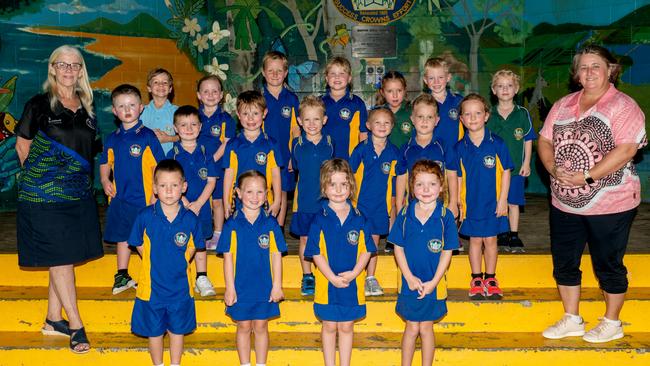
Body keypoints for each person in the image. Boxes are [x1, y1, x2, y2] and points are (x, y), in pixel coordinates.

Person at [538, 45, 647, 343]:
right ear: (576, 73)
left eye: (596, 66)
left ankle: (612, 322)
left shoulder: (624, 106)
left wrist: (587, 175)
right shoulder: (562, 105)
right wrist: (551, 168)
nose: (589, 72)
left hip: (611, 203)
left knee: (608, 264)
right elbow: (545, 140)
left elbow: (626, 149)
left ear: (610, 69)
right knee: (564, 262)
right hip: (563, 202)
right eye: (583, 67)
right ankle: (572, 318)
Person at [15, 44, 103, 354]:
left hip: (79, 197)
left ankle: (53, 320)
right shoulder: (38, 105)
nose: (68, 70)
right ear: (52, 68)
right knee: (63, 257)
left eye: (74, 65)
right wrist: (44, 183)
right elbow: (22, 147)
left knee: (62, 256)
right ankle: (76, 326)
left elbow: (94, 150)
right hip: (44, 198)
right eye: (62, 65)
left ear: (81, 71)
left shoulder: (88, 109)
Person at [129, 159, 203, 366]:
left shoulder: (190, 219)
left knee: (177, 331)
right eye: (163, 186)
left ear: (184, 187)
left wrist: (179, 262)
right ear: (154, 188)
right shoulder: (145, 216)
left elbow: (192, 247)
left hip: (180, 289)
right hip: (151, 290)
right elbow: (137, 244)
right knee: (154, 332)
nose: (169, 191)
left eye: (174, 185)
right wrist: (153, 262)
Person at [304, 158, 376, 366]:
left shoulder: (359, 217)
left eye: (343, 184)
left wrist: (354, 273)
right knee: (329, 326)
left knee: (346, 327)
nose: (338, 189)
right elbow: (315, 252)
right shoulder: (319, 218)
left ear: (351, 186)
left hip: (351, 283)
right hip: (328, 284)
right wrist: (331, 278)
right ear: (324, 188)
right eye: (332, 184)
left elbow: (367, 250)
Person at [388, 160, 458, 366]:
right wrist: (409, 277)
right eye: (420, 184)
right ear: (412, 187)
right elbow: (398, 247)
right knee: (411, 327)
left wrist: (434, 282)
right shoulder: (405, 213)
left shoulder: (446, 217)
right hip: (410, 283)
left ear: (442, 186)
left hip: (433, 285)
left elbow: (447, 251)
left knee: (426, 328)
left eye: (432, 184)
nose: (426, 189)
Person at [100, 84, 165, 295]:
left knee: (143, 238)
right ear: (114, 111)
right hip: (120, 199)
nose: (127, 110)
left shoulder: (147, 136)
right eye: (122, 106)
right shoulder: (113, 138)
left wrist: (158, 193)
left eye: (132, 105)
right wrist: (104, 179)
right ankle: (122, 275)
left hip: (144, 199)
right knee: (122, 236)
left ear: (141, 108)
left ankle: (157, 274)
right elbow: (105, 161)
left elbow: (158, 165)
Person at [446, 93, 513, 300]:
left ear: (486, 116)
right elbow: (455, 177)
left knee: (491, 240)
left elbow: (507, 172)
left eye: (477, 113)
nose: (473, 117)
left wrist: (503, 201)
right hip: (471, 204)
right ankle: (476, 278)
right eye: (468, 114)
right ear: (462, 119)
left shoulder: (498, 143)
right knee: (475, 241)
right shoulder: (458, 148)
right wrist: (456, 202)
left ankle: (491, 278)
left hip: (493, 204)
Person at [217, 170, 287, 366]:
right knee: (243, 327)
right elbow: (228, 258)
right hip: (241, 287)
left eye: (259, 192)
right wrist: (230, 288)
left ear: (267, 194)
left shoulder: (271, 223)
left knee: (262, 326)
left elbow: (276, 255)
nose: (254, 197)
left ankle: (261, 363)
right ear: (238, 193)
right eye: (249, 192)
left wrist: (277, 285)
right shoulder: (231, 224)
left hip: (264, 286)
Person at [349, 107, 400, 296]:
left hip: (381, 208)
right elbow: (349, 175)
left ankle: (370, 278)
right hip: (359, 206)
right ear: (368, 126)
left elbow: (395, 184)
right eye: (377, 122)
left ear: (392, 126)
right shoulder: (361, 149)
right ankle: (354, 277)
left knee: (373, 244)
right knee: (356, 243)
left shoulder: (394, 153)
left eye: (386, 123)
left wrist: (393, 208)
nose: (382, 126)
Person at [168, 105, 217, 297]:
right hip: (178, 208)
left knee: (201, 241)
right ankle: (179, 277)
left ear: (200, 127)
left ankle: (201, 277)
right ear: (176, 128)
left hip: (202, 208)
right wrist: (186, 203)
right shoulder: (171, 155)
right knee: (180, 241)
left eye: (193, 124)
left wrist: (198, 204)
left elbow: (212, 181)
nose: (189, 129)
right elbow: (169, 182)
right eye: (183, 125)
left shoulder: (206, 154)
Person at [289, 95, 334, 296]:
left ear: (324, 120)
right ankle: (307, 276)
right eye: (306, 119)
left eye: (316, 119)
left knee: (326, 239)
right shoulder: (296, 144)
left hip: (327, 202)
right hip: (305, 202)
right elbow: (297, 167)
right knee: (305, 240)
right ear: (299, 121)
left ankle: (328, 273)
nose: (312, 124)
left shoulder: (330, 143)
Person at [487, 70, 536, 253]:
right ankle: (501, 232)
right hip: (493, 170)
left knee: (513, 202)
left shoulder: (522, 114)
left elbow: (528, 139)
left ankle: (514, 234)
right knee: (497, 201)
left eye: (509, 86)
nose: (504, 89)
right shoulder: (489, 114)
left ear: (516, 89)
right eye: (500, 86)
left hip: (515, 169)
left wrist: (526, 163)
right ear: (494, 90)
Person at [222, 91, 282, 219]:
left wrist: (277, 201)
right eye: (245, 114)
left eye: (255, 113)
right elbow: (228, 175)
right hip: (238, 201)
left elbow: (276, 175)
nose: (250, 118)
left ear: (264, 113)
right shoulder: (232, 145)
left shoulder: (271, 144)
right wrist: (226, 202)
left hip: (264, 200)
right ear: (238, 115)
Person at [395, 94, 458, 218]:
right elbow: (401, 178)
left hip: (441, 208)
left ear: (437, 121)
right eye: (420, 117)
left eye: (429, 117)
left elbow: (451, 175)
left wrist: (453, 203)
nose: (424, 121)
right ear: (412, 119)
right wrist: (398, 205)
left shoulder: (444, 147)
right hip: (413, 208)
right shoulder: (406, 149)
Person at [261, 51, 301, 230]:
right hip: (263, 154)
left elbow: (296, 129)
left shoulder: (292, 99)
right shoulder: (259, 99)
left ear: (286, 73)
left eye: (279, 71)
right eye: (271, 70)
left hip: (285, 156)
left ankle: (278, 228)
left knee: (282, 192)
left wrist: (295, 155)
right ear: (263, 73)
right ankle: (262, 227)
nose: (275, 74)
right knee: (262, 190)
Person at [196, 75, 236, 249]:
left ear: (221, 95)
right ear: (199, 95)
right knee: (200, 200)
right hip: (196, 166)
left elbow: (227, 144)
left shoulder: (226, 119)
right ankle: (201, 232)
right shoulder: (194, 116)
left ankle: (218, 234)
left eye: (215, 91)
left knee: (217, 201)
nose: (210, 95)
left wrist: (211, 160)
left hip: (217, 166)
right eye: (206, 91)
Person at [322, 57, 368, 160]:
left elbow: (363, 133)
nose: (337, 77)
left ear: (349, 78)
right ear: (326, 78)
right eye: (332, 73)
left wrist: (362, 156)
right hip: (323, 158)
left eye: (342, 73)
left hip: (350, 158)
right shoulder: (319, 103)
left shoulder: (357, 103)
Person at [423, 57, 463, 153]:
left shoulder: (459, 101)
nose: (436, 82)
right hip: (432, 155)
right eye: (431, 78)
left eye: (440, 77)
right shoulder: (422, 104)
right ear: (425, 80)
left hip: (456, 154)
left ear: (448, 77)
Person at [141, 68, 179, 154]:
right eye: (156, 82)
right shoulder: (141, 112)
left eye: (165, 82)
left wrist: (169, 138)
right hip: (146, 161)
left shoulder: (178, 111)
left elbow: (187, 136)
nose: (161, 85)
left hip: (168, 161)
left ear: (170, 89)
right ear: (149, 88)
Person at [375, 71, 413, 149]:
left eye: (399, 90)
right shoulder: (376, 113)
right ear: (382, 92)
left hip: (407, 159)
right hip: (385, 159)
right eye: (390, 91)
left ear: (405, 90)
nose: (395, 95)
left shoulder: (413, 112)